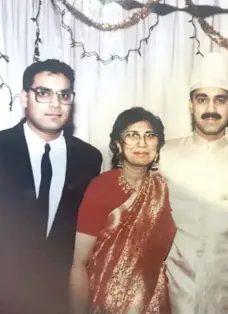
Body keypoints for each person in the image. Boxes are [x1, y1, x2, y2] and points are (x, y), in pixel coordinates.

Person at [159, 52, 228, 314]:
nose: (211, 109)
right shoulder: (165, 155)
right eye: (202, 99)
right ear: (190, 105)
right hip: (172, 289)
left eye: (220, 100)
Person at [0, 59, 102, 314]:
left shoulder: (88, 158)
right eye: (43, 93)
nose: (55, 104)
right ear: (24, 97)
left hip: (59, 301)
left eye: (63, 95)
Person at [69, 107, 176, 314]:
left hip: (153, 302)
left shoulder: (164, 189)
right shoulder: (101, 187)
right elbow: (79, 263)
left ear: (158, 145)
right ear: (118, 144)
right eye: (132, 135)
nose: (142, 143)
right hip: (104, 302)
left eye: (150, 136)